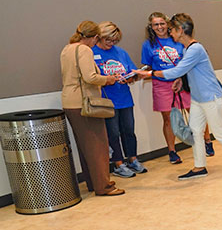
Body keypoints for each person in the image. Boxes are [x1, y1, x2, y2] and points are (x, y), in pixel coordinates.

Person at [135, 14, 222, 179]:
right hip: (197, 99)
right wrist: (180, 80)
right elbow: (185, 71)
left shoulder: (195, 49)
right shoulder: (187, 49)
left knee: (220, 131)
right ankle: (200, 167)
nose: (170, 33)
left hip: (211, 97)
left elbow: (177, 69)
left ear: (180, 30)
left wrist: (149, 73)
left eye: (172, 30)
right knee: (196, 131)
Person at [60, 21, 124, 196]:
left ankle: (92, 182)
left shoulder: (67, 49)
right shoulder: (84, 50)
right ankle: (104, 186)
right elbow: (90, 77)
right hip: (85, 103)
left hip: (69, 102)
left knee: (84, 146)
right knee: (98, 145)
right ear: (95, 37)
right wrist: (108, 79)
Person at [141, 12, 211, 164]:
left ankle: (206, 141)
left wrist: (180, 77)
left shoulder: (178, 40)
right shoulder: (148, 45)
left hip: (183, 81)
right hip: (161, 84)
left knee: (195, 112)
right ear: (151, 27)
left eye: (162, 23)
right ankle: (172, 151)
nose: (159, 27)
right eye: (155, 25)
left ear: (168, 25)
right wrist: (140, 73)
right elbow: (147, 64)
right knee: (168, 119)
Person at [92, 21, 146, 178]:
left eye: (114, 41)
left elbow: (132, 72)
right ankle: (118, 163)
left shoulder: (121, 52)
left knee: (129, 130)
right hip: (107, 101)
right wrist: (108, 78)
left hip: (125, 99)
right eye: (108, 40)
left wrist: (130, 78)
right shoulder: (91, 53)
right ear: (100, 37)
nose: (111, 43)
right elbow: (91, 77)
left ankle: (132, 159)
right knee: (113, 133)